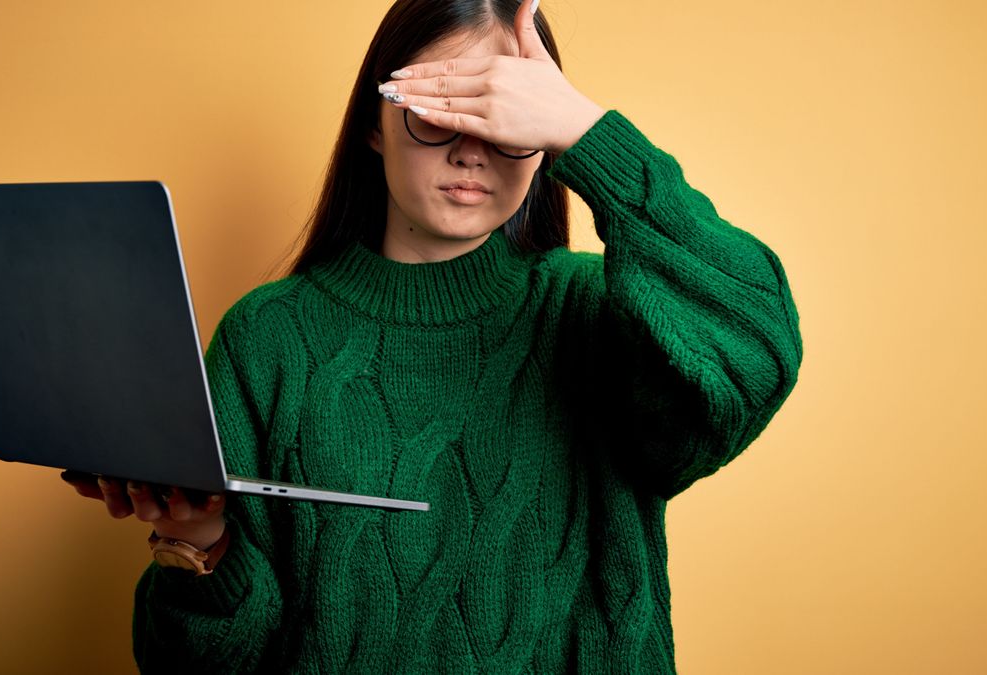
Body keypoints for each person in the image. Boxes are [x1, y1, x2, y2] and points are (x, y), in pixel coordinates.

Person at [63, 0, 803, 672]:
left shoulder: (599, 314)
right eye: (436, 108)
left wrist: (590, 136)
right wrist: (202, 536)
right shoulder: (267, 339)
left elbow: (759, 350)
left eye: (504, 117)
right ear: (372, 124)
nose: (471, 147)